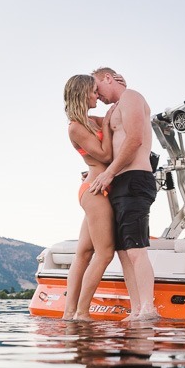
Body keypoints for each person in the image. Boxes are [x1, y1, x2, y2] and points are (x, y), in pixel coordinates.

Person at [89, 67, 158, 321]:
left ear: (108, 78)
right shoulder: (112, 110)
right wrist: (97, 172)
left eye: (98, 87)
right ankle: (136, 309)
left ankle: (148, 308)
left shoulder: (131, 97)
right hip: (119, 182)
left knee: (136, 248)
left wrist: (109, 174)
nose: (98, 94)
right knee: (124, 251)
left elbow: (135, 139)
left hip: (134, 179)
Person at [62, 74, 115, 321]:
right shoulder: (76, 127)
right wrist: (107, 126)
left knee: (83, 253)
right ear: (83, 93)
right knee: (105, 253)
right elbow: (105, 156)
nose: (97, 96)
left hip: (94, 187)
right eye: (94, 91)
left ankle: (68, 312)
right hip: (95, 191)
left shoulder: (91, 120)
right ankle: (82, 312)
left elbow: (118, 117)